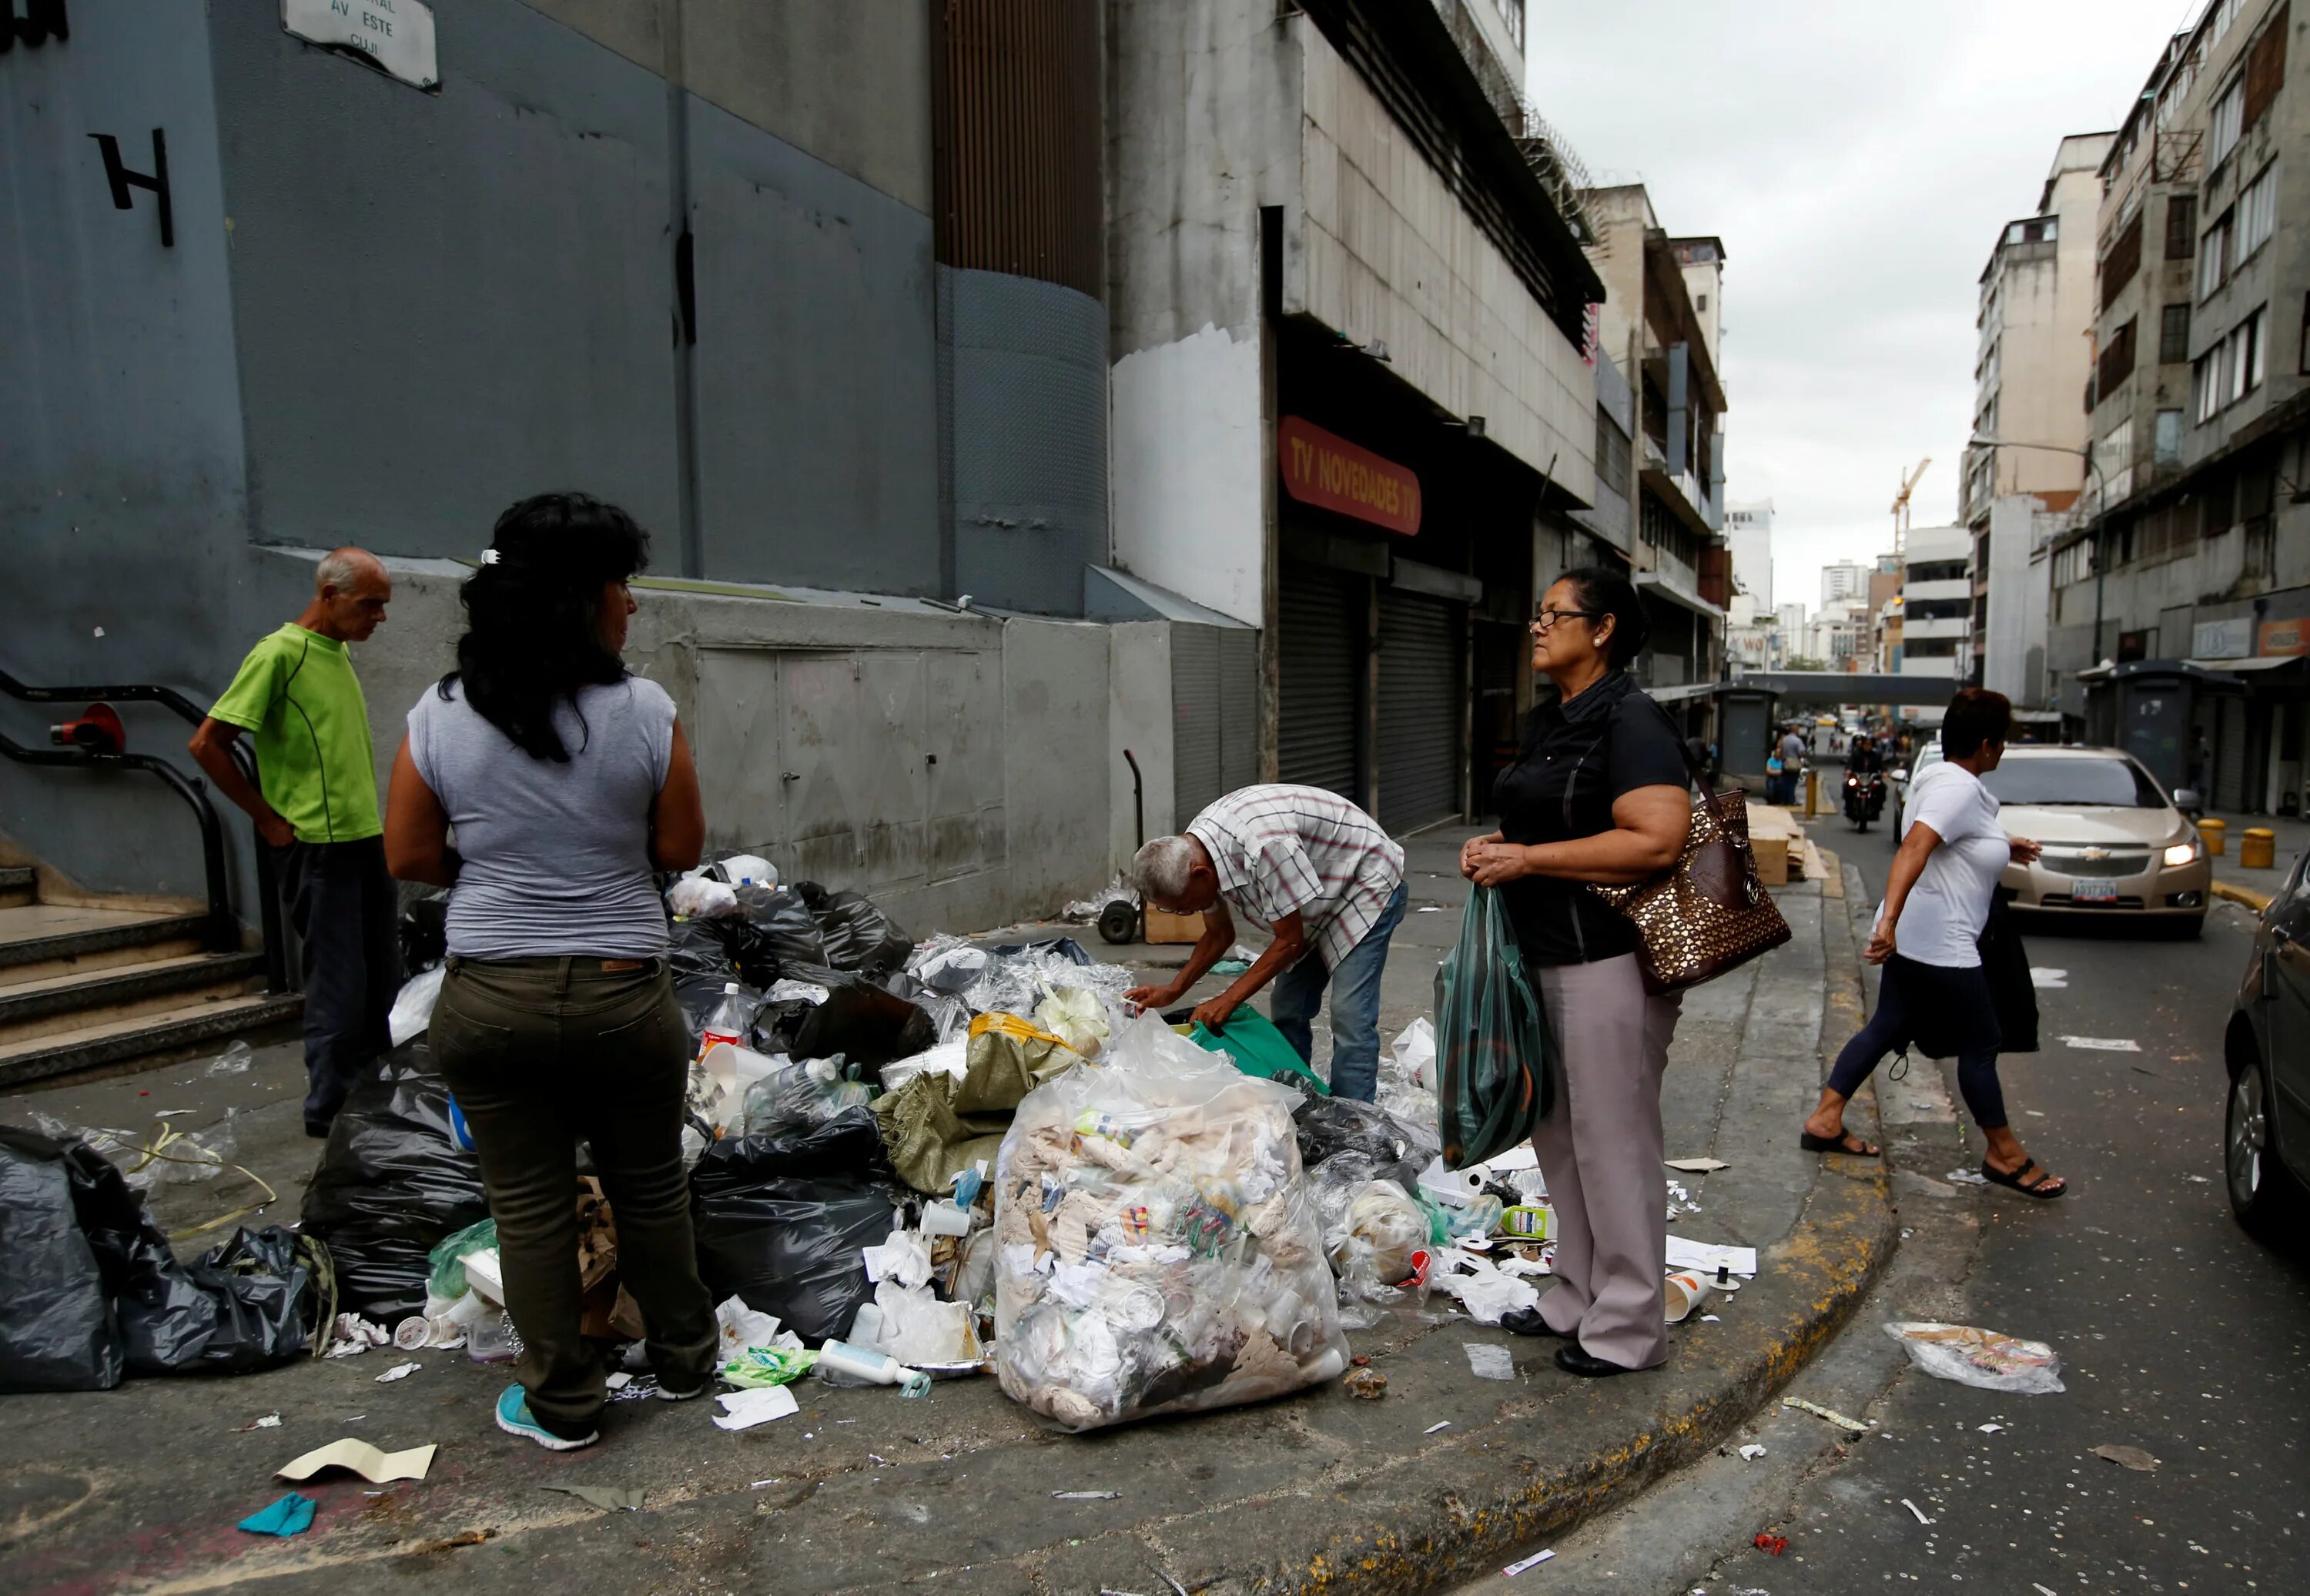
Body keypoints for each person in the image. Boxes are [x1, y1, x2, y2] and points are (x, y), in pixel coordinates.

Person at [382, 492, 718, 1450]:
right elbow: (682, 843)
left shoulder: (439, 715)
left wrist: (494, 871)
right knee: (650, 1186)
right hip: (622, 989)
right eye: (622, 585)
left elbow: (408, 854)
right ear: (581, 600)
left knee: (526, 1208)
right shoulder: (645, 711)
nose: (633, 606)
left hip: (491, 999)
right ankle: (687, 1361)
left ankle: (566, 1405)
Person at [1461, 567, 1693, 1377]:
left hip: (1610, 962)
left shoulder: (1632, 722)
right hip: (1544, 958)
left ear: (1601, 630)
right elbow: (1545, 818)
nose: (1537, 626)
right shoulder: (1553, 719)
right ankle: (1575, 1294)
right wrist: (1498, 848)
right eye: (1538, 612)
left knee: (1614, 1144)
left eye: (1554, 614)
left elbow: (1656, 840)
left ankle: (1629, 1327)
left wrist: (1529, 858)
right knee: (1558, 1140)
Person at [1798, 688, 2064, 1199]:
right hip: (1940, 942)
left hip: (1918, 936)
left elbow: (1951, 843)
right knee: (1982, 1043)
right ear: (1987, 745)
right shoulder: (1957, 789)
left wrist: (2004, 844)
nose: (2003, 750)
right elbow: (1916, 847)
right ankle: (2003, 1153)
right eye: (2002, 741)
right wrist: (1888, 922)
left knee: (1887, 1025)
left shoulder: (1940, 778)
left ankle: (1826, 1118)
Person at [189, 548, 398, 1138]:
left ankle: (374, 1098)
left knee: (382, 978)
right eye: (370, 604)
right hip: (319, 847)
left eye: (383, 605)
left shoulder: (338, 653)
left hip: (364, 840)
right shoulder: (279, 652)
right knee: (340, 986)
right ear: (329, 596)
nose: (379, 617)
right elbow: (208, 743)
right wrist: (268, 820)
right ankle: (329, 1112)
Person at [1123, 788, 1406, 1102]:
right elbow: (1219, 934)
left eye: (1184, 907)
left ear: (1201, 874)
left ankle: (1355, 1123)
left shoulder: (1265, 846)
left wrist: (1227, 998)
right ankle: (1294, 1100)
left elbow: (1289, 941)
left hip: (1362, 881)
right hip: (1313, 896)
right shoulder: (1197, 850)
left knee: (1349, 1015)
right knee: (1288, 1008)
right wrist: (1173, 990)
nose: (1184, 914)